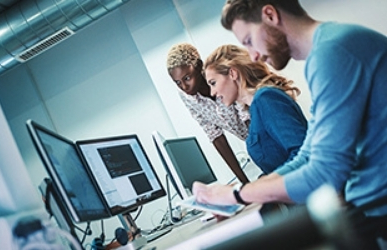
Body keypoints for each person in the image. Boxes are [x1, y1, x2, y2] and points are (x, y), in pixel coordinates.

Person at [193, 0, 387, 248]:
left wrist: (235, 194)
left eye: (249, 40)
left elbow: (324, 173)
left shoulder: (333, 51)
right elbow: (306, 155)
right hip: (369, 208)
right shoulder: (327, 51)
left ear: (270, 15)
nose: (252, 55)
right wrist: (240, 196)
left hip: (377, 213)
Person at [204, 44, 307, 175]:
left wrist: (260, 188)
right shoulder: (255, 109)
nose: (212, 92)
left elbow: (303, 155)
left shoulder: (265, 99)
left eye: (213, 83)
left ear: (232, 73)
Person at [166, 43, 250, 183]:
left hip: (268, 135)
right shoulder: (187, 98)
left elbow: (247, 116)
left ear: (199, 66)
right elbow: (215, 135)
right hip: (256, 146)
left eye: (187, 78)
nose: (184, 87)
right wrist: (245, 182)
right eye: (178, 82)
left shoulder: (222, 76)